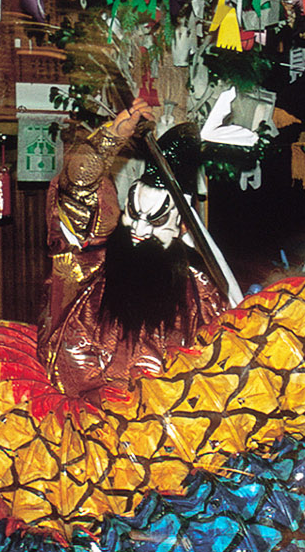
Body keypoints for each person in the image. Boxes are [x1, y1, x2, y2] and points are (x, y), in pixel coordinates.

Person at [39, 100, 229, 403]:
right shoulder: (87, 268)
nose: (139, 231)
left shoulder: (203, 298)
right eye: (133, 214)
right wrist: (111, 136)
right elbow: (76, 192)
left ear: (183, 227)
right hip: (80, 429)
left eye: (155, 221)